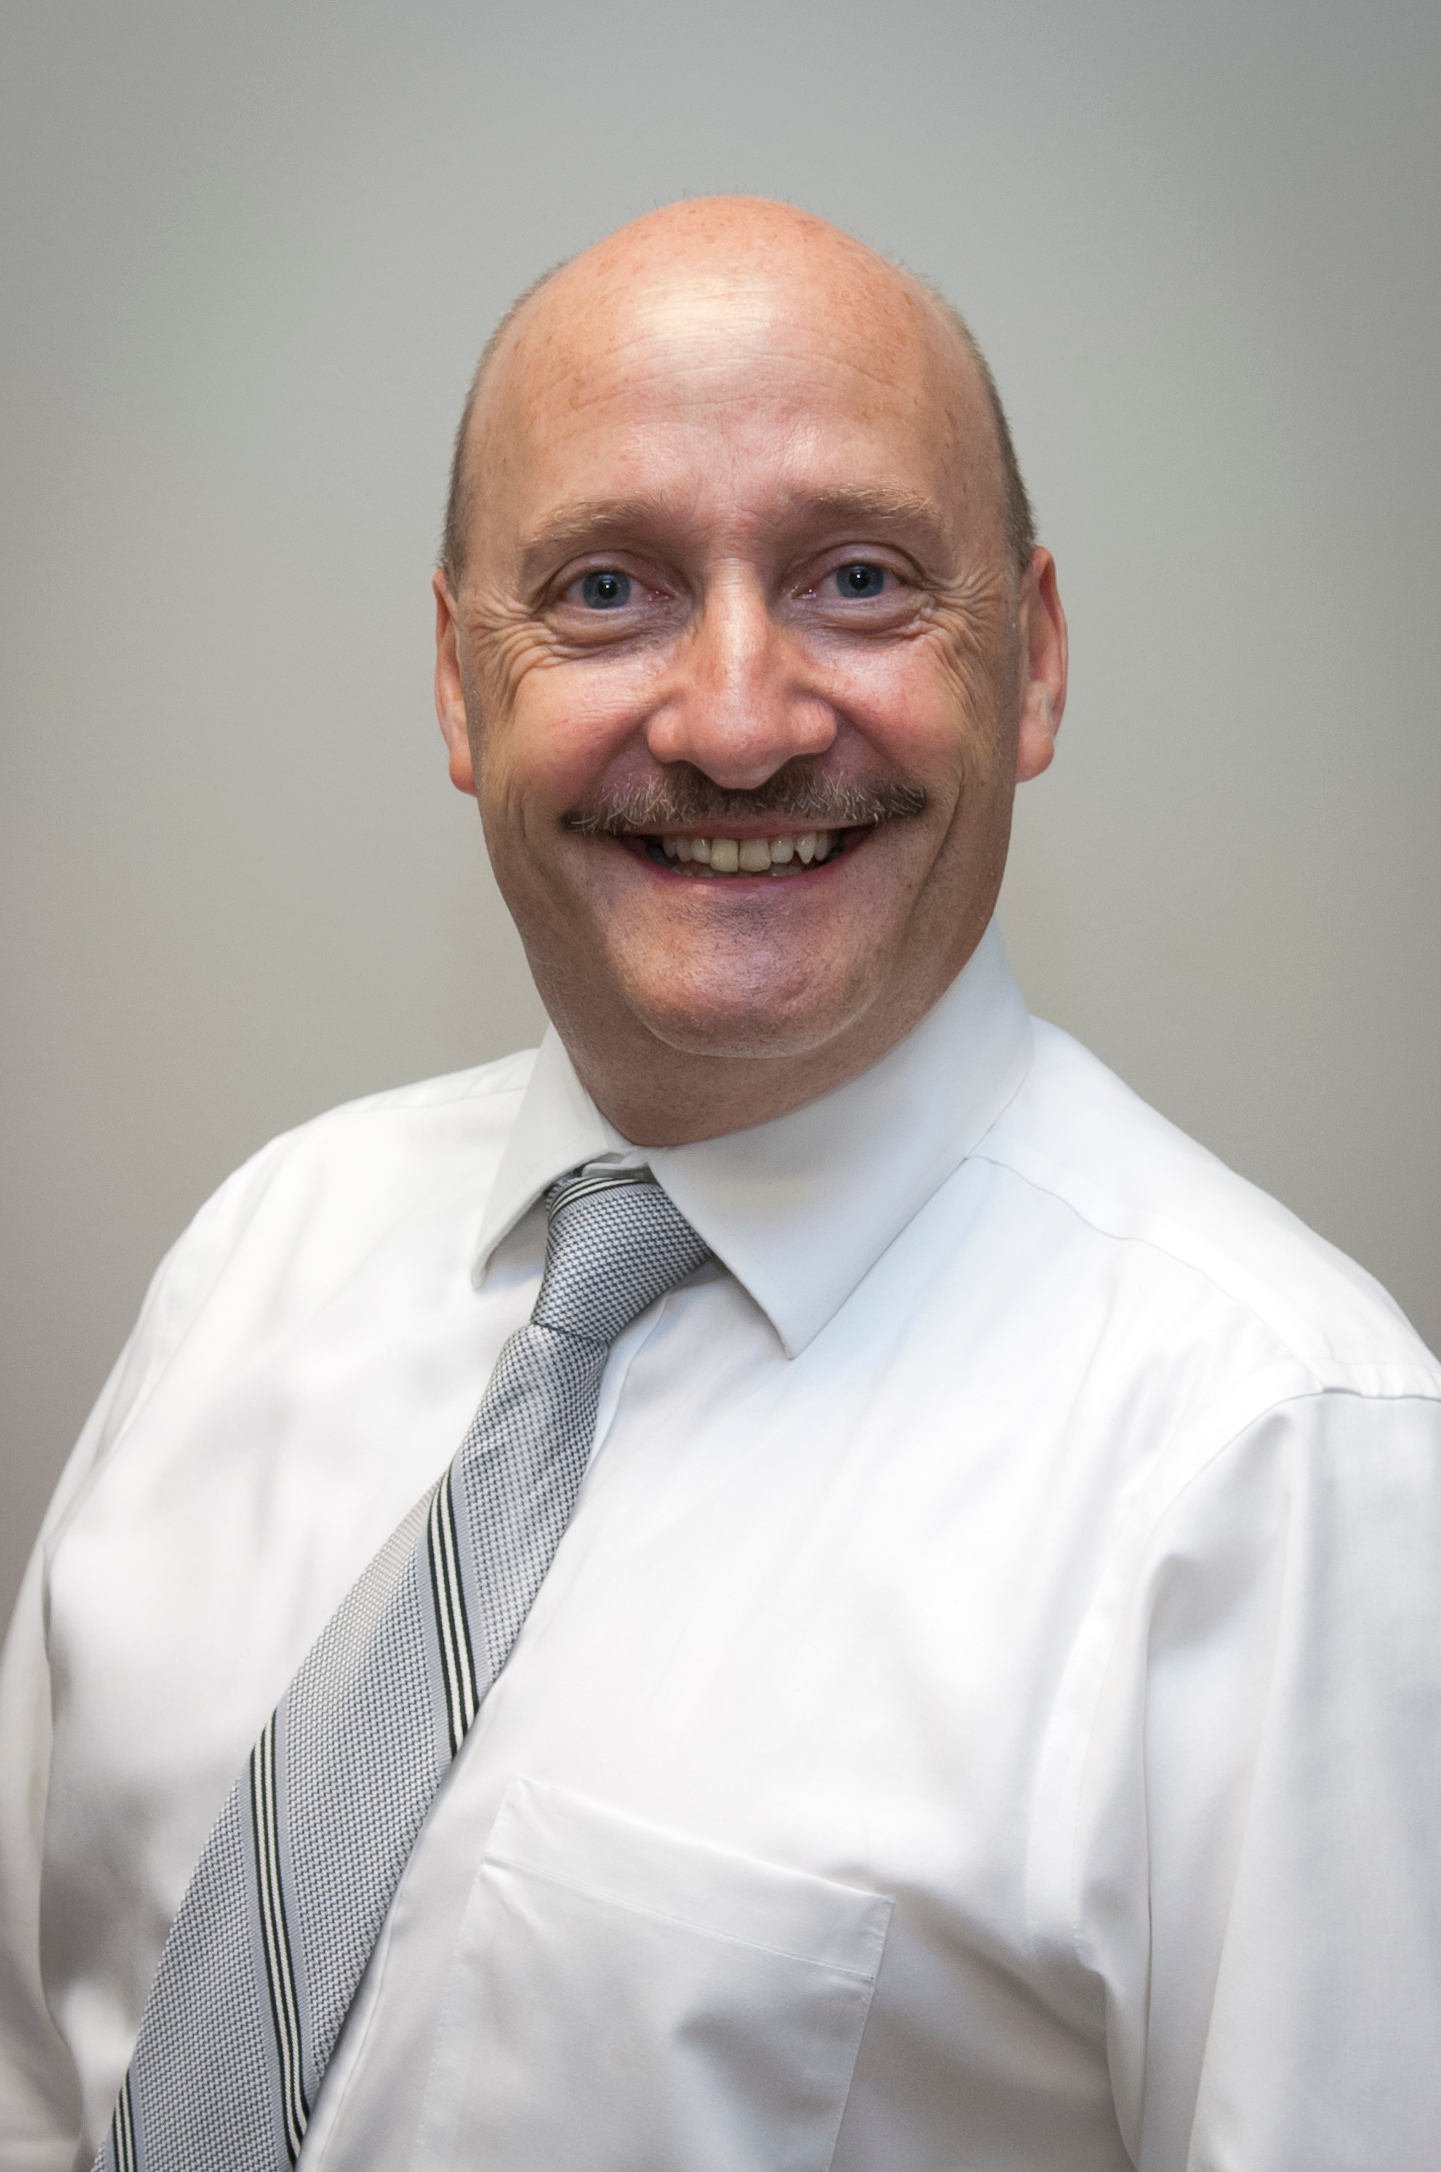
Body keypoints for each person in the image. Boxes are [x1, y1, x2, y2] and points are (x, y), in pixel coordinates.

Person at [2, 196, 1437, 2172]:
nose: (741, 725)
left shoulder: (1277, 1465)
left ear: (1030, 665)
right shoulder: (263, 1251)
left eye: (858, 580)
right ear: (458, 684)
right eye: (605, 591)